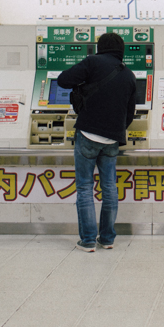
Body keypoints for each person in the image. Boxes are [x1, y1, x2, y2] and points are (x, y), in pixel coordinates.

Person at [57, 32, 138, 252]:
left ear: (99, 47)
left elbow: (63, 80)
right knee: (109, 187)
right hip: (112, 138)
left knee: (85, 187)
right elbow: (129, 114)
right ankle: (108, 238)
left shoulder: (92, 62)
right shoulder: (129, 75)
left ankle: (89, 240)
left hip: (88, 135)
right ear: (121, 50)